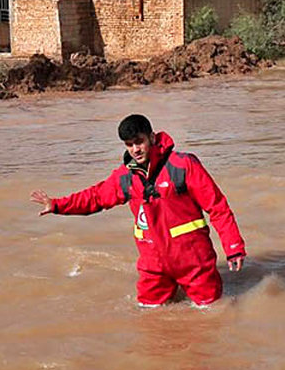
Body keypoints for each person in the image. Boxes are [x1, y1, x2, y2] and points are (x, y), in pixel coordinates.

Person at [31, 114, 246, 308]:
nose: (135, 149)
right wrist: (57, 205)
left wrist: (233, 247)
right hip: (153, 266)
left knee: (214, 316)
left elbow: (217, 207)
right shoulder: (125, 177)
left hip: (194, 263)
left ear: (152, 138)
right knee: (149, 324)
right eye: (129, 145)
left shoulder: (183, 165)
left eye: (139, 142)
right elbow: (96, 197)